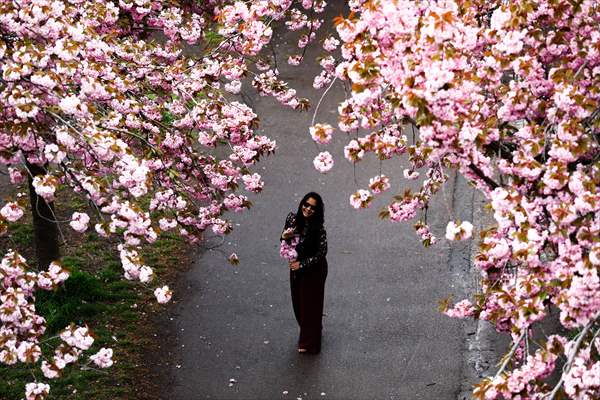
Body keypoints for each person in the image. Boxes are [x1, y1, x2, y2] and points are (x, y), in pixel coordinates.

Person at [280, 192, 328, 354]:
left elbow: (322, 252)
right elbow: (285, 240)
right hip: (296, 268)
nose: (308, 209)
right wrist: (284, 236)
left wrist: (302, 264)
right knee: (298, 303)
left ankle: (309, 343)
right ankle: (312, 330)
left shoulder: (319, 229)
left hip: (314, 269)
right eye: (306, 205)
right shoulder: (292, 219)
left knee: (310, 306)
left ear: (317, 211)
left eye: (312, 208)